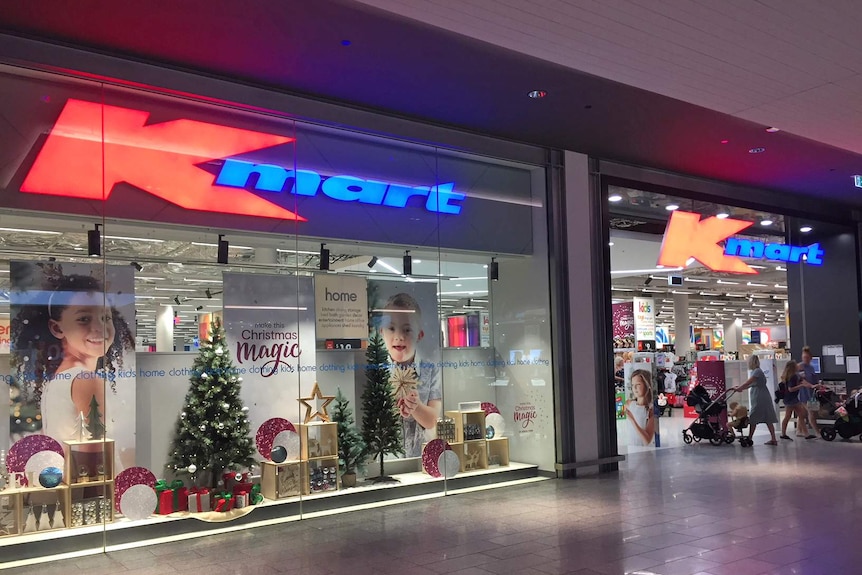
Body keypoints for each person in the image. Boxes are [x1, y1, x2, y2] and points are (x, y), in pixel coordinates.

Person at [12, 273, 135, 441]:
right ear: (57, 328)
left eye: (105, 317)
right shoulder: (87, 380)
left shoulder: (61, 376)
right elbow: (96, 455)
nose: (99, 328)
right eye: (84, 319)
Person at [377, 292, 441, 458]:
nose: (399, 336)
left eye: (407, 330)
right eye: (391, 328)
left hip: (422, 458)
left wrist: (416, 407)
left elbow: (433, 420)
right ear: (381, 332)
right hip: (386, 460)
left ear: (419, 335)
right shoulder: (376, 371)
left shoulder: (430, 369)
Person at [731, 355, 779, 445]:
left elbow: (748, 382)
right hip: (762, 396)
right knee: (767, 417)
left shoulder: (757, 371)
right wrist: (740, 388)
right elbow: (751, 384)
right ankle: (773, 439)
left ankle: (750, 438)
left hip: (759, 397)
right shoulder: (757, 371)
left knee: (754, 417)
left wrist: (740, 388)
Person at [779, 360, 815, 440]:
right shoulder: (793, 377)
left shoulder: (787, 376)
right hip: (791, 399)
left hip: (789, 398)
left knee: (798, 415)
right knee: (793, 416)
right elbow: (791, 389)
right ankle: (784, 433)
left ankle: (805, 434)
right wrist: (801, 386)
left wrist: (809, 385)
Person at [622, 369, 655, 446]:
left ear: (647, 385)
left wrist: (632, 420)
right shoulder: (629, 404)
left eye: (638, 384)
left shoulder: (651, 410)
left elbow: (647, 440)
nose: (635, 388)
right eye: (633, 385)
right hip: (630, 447)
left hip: (643, 451)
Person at [798, 346, 821, 438]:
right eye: (804, 357)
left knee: (803, 413)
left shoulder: (811, 367)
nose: (805, 359)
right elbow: (802, 380)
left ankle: (799, 430)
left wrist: (818, 384)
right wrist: (811, 385)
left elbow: (814, 378)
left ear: (811, 358)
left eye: (807, 357)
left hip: (811, 394)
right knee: (810, 412)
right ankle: (817, 432)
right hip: (803, 393)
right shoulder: (800, 367)